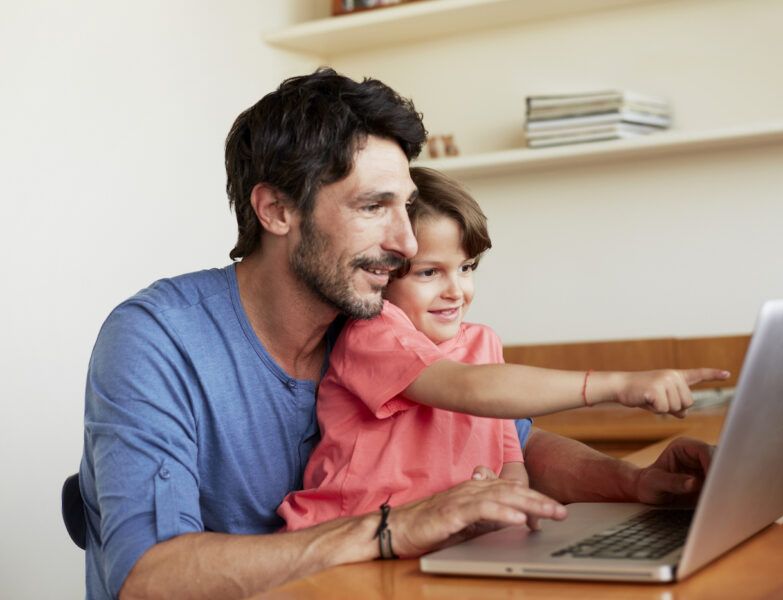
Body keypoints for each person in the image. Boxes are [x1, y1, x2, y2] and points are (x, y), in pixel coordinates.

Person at [79, 68, 722, 600]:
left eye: (403, 206)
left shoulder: (368, 309)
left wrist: (633, 484)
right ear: (275, 209)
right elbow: (147, 577)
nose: (406, 243)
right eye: (371, 207)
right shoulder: (156, 340)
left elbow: (505, 439)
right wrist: (389, 530)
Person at [277, 167, 728, 533]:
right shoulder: (373, 332)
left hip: (440, 542)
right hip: (347, 537)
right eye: (429, 273)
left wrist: (511, 492)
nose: (457, 290)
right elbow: (467, 387)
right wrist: (618, 383)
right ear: (384, 273)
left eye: (467, 268)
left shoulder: (482, 342)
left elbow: (509, 449)